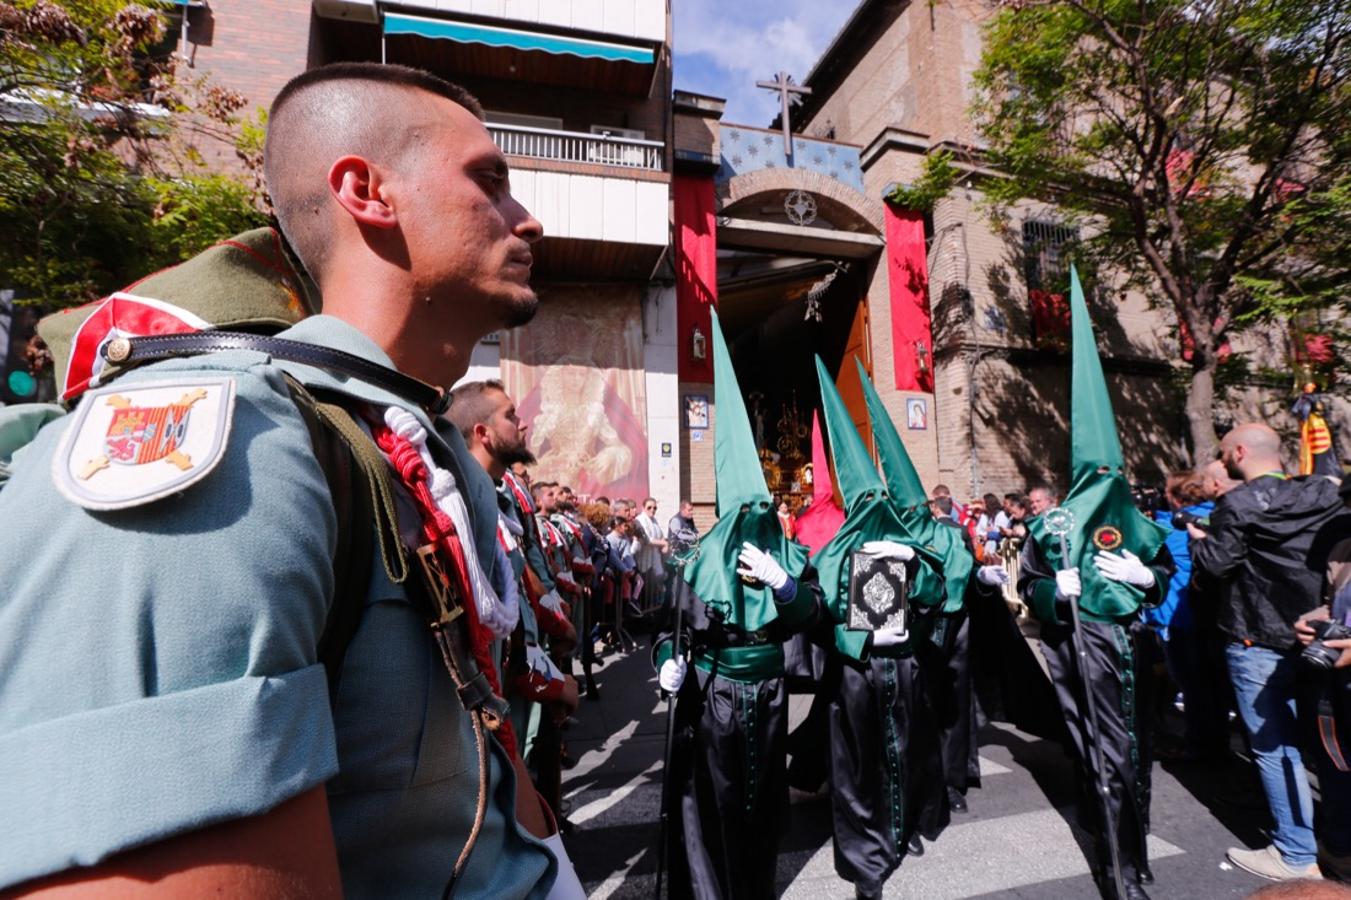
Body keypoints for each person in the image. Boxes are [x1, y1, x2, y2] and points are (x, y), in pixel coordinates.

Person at [0, 63, 581, 897]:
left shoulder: (393, 448)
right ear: (366, 191)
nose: (527, 218)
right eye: (489, 180)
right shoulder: (235, 440)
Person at [653, 313, 823, 900]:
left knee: (764, 805)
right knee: (712, 800)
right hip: (717, 696)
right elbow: (669, 630)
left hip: (771, 695)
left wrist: (785, 586)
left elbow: (813, 618)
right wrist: (669, 663)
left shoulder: (791, 555)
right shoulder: (699, 562)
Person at [1019, 267, 1174, 900]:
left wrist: (1148, 576)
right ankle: (1120, 872)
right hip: (1086, 647)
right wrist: (1057, 591)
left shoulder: (1137, 520)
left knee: (1136, 755)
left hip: (1136, 645)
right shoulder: (1052, 524)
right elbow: (1028, 589)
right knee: (1107, 754)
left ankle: (1131, 848)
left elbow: (1162, 576)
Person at [810, 356, 952, 899]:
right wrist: (858, 636)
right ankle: (865, 855)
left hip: (904, 667)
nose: (873, 507)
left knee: (905, 749)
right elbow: (818, 616)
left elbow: (937, 597)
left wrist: (913, 569)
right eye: (862, 499)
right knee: (857, 764)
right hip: (856, 673)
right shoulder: (832, 554)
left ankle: (904, 824)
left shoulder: (906, 546)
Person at [1191, 422, 1350, 883]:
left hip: (1256, 637)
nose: (1223, 461)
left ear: (1240, 451)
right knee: (1327, 748)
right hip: (1320, 636)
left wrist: (1202, 546)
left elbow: (1218, 565)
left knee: (1274, 748)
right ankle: (1337, 844)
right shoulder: (1325, 492)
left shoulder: (1237, 503)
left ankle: (1295, 853)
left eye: (1224, 453)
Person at [635, 496, 670, 606]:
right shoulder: (640, 520)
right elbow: (648, 540)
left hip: (654, 563)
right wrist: (664, 543)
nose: (652, 510)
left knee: (654, 595)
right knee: (645, 595)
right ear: (643, 508)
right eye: (649, 507)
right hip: (643, 563)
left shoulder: (654, 520)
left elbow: (661, 536)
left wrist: (665, 544)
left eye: (655, 508)